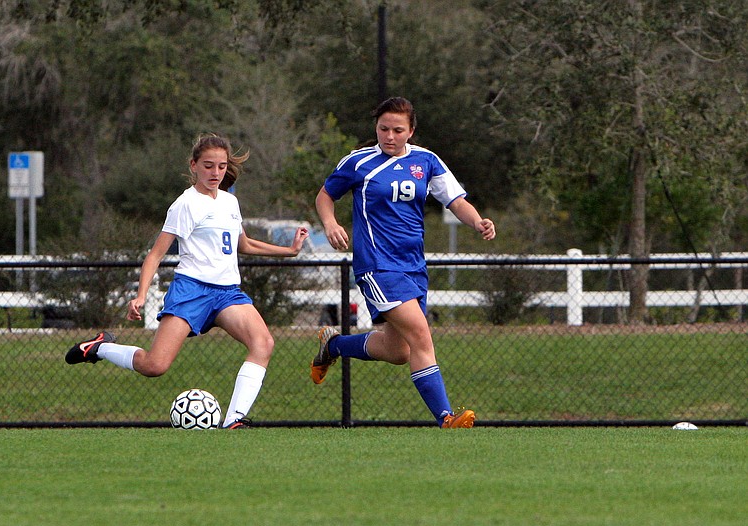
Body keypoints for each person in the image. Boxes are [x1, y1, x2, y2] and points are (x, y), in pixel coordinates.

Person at [65, 134, 309, 429]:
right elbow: (155, 255)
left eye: (221, 166)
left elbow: (243, 245)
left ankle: (233, 421)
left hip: (227, 293)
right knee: (155, 366)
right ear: (194, 165)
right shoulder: (185, 204)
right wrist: (141, 295)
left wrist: (290, 251)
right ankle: (100, 347)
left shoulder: (230, 201)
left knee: (263, 343)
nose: (215, 173)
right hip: (192, 290)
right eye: (208, 166)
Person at [310, 97, 496, 429]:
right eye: (383, 129)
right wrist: (330, 223)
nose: (390, 136)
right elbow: (325, 195)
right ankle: (446, 417)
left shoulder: (426, 161)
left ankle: (333, 344)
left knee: (399, 351)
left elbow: (455, 200)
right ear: (376, 129)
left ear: (411, 131)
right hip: (377, 265)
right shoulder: (358, 162)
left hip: (412, 266)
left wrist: (478, 221)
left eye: (398, 130)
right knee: (421, 334)